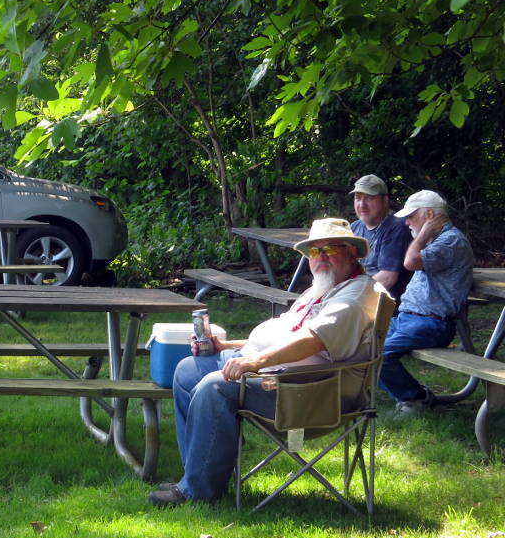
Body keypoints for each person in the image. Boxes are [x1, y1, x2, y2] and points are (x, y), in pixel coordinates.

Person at [148, 218, 379, 508]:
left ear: (352, 253)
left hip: (308, 392)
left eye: (330, 250)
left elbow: (314, 341)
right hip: (275, 373)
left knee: (214, 387)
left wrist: (255, 362)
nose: (321, 258)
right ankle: (198, 474)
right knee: (187, 370)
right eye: (313, 252)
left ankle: (198, 492)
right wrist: (226, 347)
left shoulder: (355, 294)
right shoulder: (323, 288)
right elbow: (286, 333)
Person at [378, 190, 473, 414]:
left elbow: (410, 262)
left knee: (377, 356)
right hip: (408, 320)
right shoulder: (436, 241)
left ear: (429, 215)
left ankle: (417, 399)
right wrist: (424, 235)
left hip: (432, 324)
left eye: (411, 216)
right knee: (361, 345)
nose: (407, 221)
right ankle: (412, 397)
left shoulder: (451, 242)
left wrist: (422, 234)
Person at [349, 174, 412, 306]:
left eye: (370, 198)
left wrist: (349, 295)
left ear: (385, 200)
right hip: (358, 298)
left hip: (385, 306)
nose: (362, 205)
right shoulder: (355, 227)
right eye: (358, 198)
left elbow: (388, 278)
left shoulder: (396, 228)